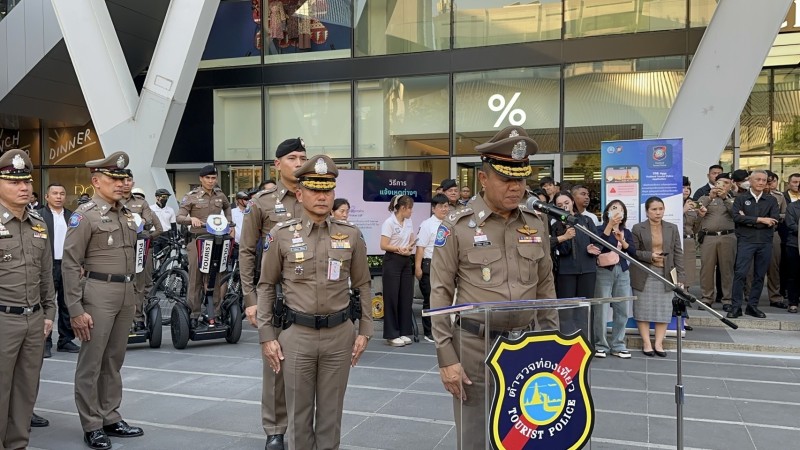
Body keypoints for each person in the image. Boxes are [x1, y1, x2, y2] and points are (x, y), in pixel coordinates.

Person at [430, 126, 559, 449]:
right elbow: (440, 292)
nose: (516, 187)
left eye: (521, 179)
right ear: (484, 179)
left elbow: (545, 286)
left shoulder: (535, 221)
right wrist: (446, 356)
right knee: (474, 437)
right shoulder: (457, 226)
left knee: (526, 435)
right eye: (506, 179)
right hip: (475, 346)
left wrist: (553, 344)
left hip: (526, 344)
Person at [257, 154, 372, 450]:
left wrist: (365, 330)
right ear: (300, 194)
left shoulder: (351, 235)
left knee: (331, 416)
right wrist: (267, 336)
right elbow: (266, 286)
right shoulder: (281, 235)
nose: (322, 197)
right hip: (297, 336)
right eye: (314, 190)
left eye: (327, 190)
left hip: (339, 336)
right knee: (298, 416)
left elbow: (363, 284)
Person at [63, 151, 144, 449]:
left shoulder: (126, 214)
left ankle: (110, 416)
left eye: (123, 178)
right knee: (92, 361)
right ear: (96, 181)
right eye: (114, 179)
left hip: (125, 291)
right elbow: (70, 264)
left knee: (114, 359)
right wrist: (75, 309)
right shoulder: (85, 216)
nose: (122, 184)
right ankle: (92, 424)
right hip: (98, 292)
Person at [240, 138, 307, 450]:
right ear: (278, 164)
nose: (299, 163)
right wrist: (250, 299)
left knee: (310, 366)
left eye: (303, 157)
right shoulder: (262, 203)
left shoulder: (315, 196)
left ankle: (305, 427)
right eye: (292, 158)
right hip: (276, 295)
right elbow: (246, 252)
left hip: (310, 295)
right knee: (276, 364)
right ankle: (276, 429)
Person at [0, 150, 56, 450]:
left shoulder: (38, 223)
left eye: (27, 181)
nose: (23, 187)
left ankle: (17, 444)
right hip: (3, 320)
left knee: (25, 391)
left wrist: (49, 313)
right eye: (13, 182)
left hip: (33, 320)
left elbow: (46, 274)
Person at [176, 164, 234, 329]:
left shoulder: (220, 195)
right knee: (196, 277)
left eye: (213, 178)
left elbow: (227, 207)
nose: (211, 181)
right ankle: (194, 314)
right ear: (201, 179)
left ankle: (214, 313)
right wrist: (191, 219)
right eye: (207, 178)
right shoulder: (191, 196)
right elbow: (179, 217)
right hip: (197, 240)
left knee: (214, 276)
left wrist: (230, 222)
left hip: (216, 239)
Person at [631, 196, 684, 358]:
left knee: (664, 309)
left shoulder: (672, 228)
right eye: (654, 209)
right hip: (644, 273)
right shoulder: (638, 228)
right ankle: (647, 343)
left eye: (661, 209)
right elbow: (633, 252)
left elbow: (678, 253)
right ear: (647, 211)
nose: (658, 212)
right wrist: (650, 256)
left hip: (666, 273)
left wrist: (681, 277)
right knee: (642, 309)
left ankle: (659, 343)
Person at [728, 170, 779, 319]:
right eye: (758, 179)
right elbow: (736, 217)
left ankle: (752, 306)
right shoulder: (741, 198)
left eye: (764, 180)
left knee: (759, 275)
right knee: (740, 273)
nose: (761, 182)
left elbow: (774, 220)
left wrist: (748, 219)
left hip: (765, 241)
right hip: (746, 241)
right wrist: (760, 219)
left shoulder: (771, 200)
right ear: (750, 181)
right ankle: (736, 307)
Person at [550, 192, 601, 334]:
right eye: (560, 205)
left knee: (585, 310)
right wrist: (565, 234)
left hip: (587, 270)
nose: (564, 207)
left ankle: (586, 341)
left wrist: (593, 248)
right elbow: (562, 250)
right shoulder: (556, 225)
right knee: (566, 311)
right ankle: (567, 341)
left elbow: (598, 241)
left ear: (572, 202)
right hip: (566, 272)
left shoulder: (586, 220)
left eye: (566, 203)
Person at [592, 200, 635, 359]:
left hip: (622, 271)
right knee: (601, 309)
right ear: (607, 212)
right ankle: (600, 345)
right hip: (604, 271)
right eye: (613, 208)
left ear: (624, 214)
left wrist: (622, 240)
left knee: (622, 308)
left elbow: (632, 251)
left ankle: (618, 344)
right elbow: (598, 246)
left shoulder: (626, 232)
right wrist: (610, 226)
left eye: (620, 209)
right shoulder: (599, 229)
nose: (617, 211)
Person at [40, 183, 79, 356]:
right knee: (46, 302)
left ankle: (65, 340)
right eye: (54, 193)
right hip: (46, 265)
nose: (58, 197)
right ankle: (44, 341)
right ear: (47, 197)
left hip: (67, 264)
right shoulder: (39, 216)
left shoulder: (72, 217)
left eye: (62, 193)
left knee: (66, 302)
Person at [121, 175, 164, 332]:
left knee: (140, 283)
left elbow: (153, 224)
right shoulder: (114, 201)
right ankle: (123, 318)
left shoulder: (143, 205)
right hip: (121, 246)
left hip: (141, 245)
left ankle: (138, 317)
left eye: (129, 181)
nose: (126, 184)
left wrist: (144, 229)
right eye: (123, 181)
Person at [696, 172, 736, 310]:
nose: (722, 186)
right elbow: (696, 211)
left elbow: (736, 214)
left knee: (727, 269)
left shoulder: (734, 198)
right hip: (709, 237)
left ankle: (727, 300)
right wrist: (709, 198)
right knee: (706, 269)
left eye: (726, 183)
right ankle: (706, 298)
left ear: (730, 185)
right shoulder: (704, 197)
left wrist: (725, 198)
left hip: (727, 237)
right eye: (719, 183)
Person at [380, 194, 415, 347]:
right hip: (392, 260)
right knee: (392, 297)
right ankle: (391, 334)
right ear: (402, 208)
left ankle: (403, 331)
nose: (411, 211)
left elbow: (412, 240)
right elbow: (383, 245)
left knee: (405, 296)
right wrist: (399, 249)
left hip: (406, 260)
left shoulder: (409, 222)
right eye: (410, 208)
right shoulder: (389, 223)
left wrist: (409, 248)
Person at [415, 194, 449, 343]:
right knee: (430, 300)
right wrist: (418, 268)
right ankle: (428, 332)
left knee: (444, 299)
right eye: (441, 206)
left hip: (446, 266)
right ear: (433, 208)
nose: (444, 209)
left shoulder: (450, 223)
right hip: (430, 265)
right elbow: (420, 247)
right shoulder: (427, 224)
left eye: (446, 206)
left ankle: (443, 330)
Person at [765, 171, 788, 308]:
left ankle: (775, 297)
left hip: (772, 232)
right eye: (766, 181)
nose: (768, 185)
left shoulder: (779, 196)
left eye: (771, 182)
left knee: (774, 267)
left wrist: (775, 216)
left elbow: (785, 214)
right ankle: (749, 296)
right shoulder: (749, 196)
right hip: (753, 233)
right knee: (751, 268)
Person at [682, 176, 701, 287]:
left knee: (688, 269)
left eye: (688, 188)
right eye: (683, 187)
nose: (686, 190)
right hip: (676, 240)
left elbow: (696, 228)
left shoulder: (693, 203)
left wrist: (701, 216)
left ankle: (686, 292)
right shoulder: (671, 203)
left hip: (689, 240)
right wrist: (683, 210)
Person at [150, 188, 177, 256]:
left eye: (167, 197)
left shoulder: (170, 210)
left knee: (166, 256)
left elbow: (173, 225)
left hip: (166, 235)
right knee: (155, 256)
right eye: (164, 197)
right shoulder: (150, 209)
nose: (166, 199)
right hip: (154, 234)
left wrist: (175, 238)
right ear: (157, 197)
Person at [784, 199, 800, 313]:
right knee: (793, 274)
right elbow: (790, 224)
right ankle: (793, 302)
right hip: (794, 244)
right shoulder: (792, 206)